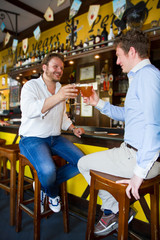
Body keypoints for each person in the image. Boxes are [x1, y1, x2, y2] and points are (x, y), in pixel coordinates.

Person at [78, 29, 160, 237]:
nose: (117, 61)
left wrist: (138, 175)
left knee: (83, 164)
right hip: (133, 153)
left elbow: (154, 127)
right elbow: (127, 114)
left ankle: (114, 211)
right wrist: (98, 103)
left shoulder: (148, 76)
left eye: (118, 55)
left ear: (132, 51)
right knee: (86, 163)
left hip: (140, 158)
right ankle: (115, 209)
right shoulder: (141, 77)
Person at [19, 52, 85, 213]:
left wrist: (72, 128)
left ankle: (43, 185)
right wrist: (59, 96)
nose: (59, 70)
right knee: (48, 170)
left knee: (83, 162)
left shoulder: (60, 89)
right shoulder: (30, 86)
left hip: (55, 138)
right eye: (55, 66)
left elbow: (61, 115)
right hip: (32, 139)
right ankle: (52, 193)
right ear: (44, 68)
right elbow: (29, 110)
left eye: (61, 68)